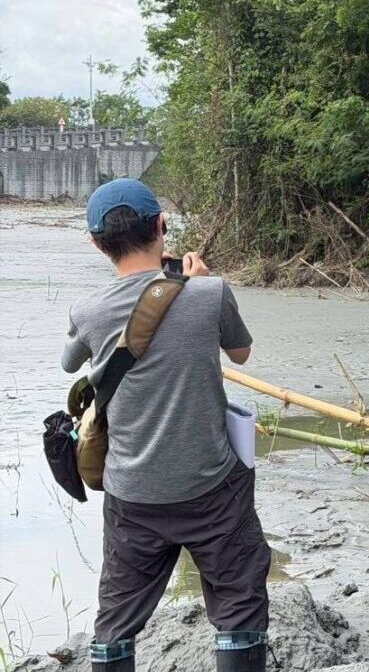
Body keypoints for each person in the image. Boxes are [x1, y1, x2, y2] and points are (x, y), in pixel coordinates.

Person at [61, 178, 271, 672]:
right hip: (212, 487)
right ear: (161, 226)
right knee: (238, 605)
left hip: (132, 495)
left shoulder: (87, 310)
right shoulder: (209, 293)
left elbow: (71, 363)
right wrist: (197, 282)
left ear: (95, 243)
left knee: (115, 619)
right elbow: (241, 353)